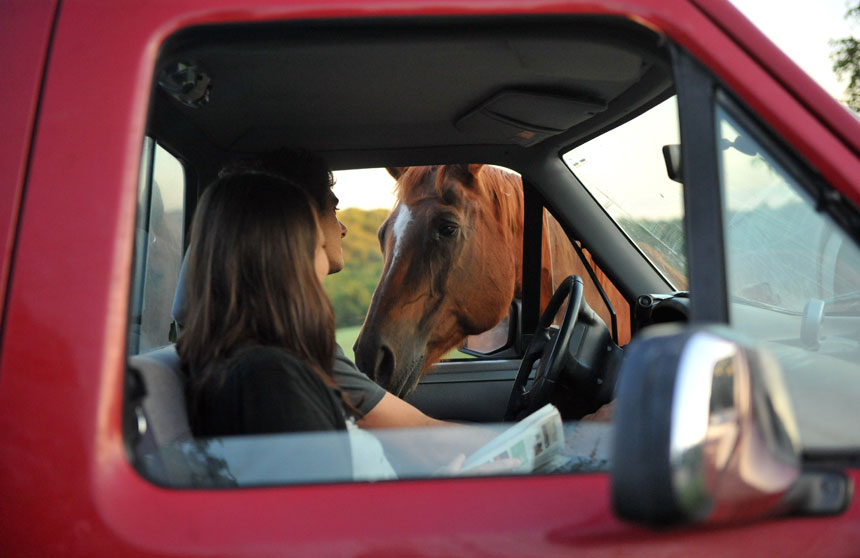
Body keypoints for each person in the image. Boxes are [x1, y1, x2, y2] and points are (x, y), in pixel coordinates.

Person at [255, 149, 449, 429]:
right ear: (298, 226)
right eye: (333, 211)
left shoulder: (266, 342)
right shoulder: (294, 349)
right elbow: (419, 433)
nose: (343, 229)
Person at [176, 169, 351, 439]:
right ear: (291, 262)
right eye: (317, 245)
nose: (323, 261)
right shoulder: (272, 380)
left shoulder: (253, 367)